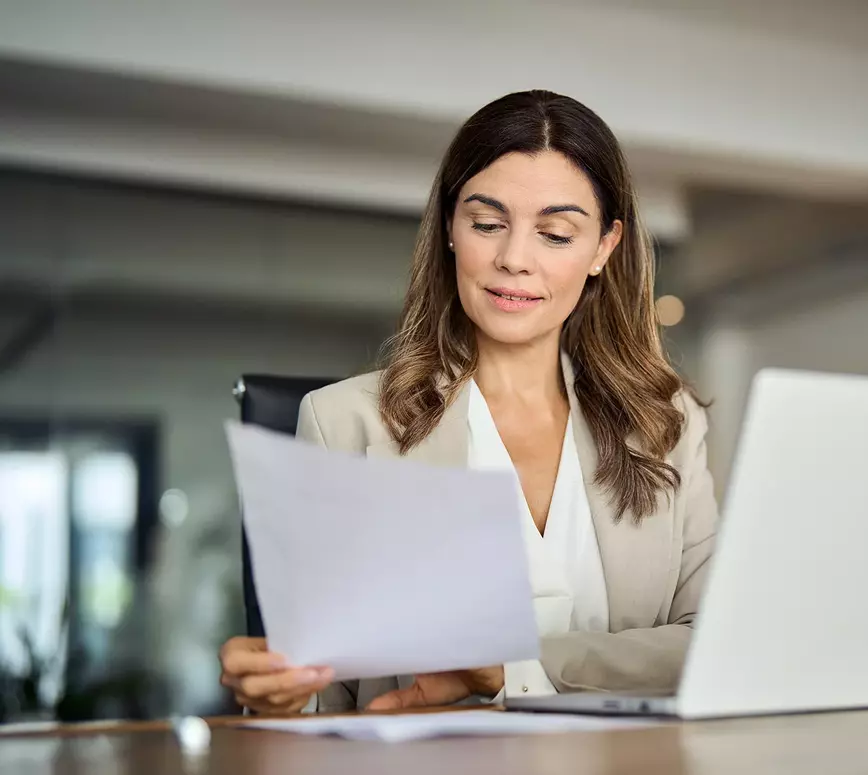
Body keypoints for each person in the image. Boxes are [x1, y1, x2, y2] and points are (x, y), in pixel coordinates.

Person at [218, 89, 718, 714]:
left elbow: (711, 649)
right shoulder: (343, 422)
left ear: (603, 249)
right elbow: (325, 699)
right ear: (451, 229)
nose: (514, 259)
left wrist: (512, 668)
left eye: (556, 234)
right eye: (487, 224)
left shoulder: (667, 424)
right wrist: (275, 700)